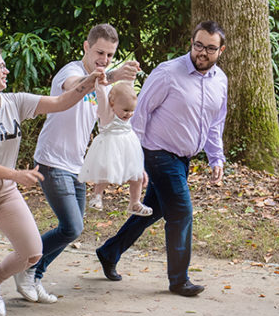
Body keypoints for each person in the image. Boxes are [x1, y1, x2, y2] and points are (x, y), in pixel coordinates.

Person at [0, 45, 107, 316]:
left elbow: (62, 101)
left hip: (7, 191)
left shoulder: (15, 102)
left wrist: (92, 80)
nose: (7, 71)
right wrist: (16, 174)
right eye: (0, 67)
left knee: (32, 252)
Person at [94, 20, 228, 297]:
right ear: (191, 42)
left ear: (221, 50)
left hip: (183, 158)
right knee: (181, 212)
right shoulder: (168, 73)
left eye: (210, 48)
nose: (202, 52)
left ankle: (109, 251)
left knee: (153, 209)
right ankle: (179, 280)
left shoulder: (220, 81)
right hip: (157, 152)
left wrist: (216, 157)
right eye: (198, 45)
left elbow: (216, 122)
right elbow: (140, 114)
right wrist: (136, 157)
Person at [16, 24, 140, 302]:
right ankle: (24, 265)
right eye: (99, 52)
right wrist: (110, 75)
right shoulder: (70, 71)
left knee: (71, 229)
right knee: (72, 227)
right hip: (51, 161)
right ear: (86, 47)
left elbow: (110, 120)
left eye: (110, 55)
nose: (104, 60)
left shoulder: (103, 83)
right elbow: (73, 88)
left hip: (77, 166)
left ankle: (34, 276)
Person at [79, 80, 153, 216]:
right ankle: (97, 196)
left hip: (129, 147)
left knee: (137, 177)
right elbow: (101, 96)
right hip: (110, 147)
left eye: (132, 111)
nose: (129, 114)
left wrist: (131, 76)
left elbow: (128, 88)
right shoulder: (107, 114)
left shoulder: (126, 113)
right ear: (112, 103)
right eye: (126, 110)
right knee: (107, 173)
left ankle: (134, 203)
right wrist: (100, 84)